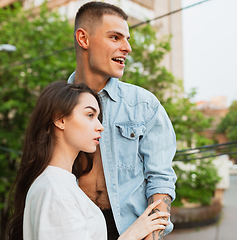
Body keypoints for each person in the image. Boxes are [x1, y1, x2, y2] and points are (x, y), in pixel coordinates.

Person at [7, 81, 170, 240]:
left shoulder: (59, 184)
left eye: (98, 117)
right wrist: (132, 234)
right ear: (60, 120)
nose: (100, 126)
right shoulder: (56, 191)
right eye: (90, 115)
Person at [68, 2, 177, 240]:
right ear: (83, 39)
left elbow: (160, 179)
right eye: (115, 37)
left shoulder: (144, 105)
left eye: (127, 39)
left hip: (131, 230)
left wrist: (153, 236)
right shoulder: (56, 107)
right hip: (76, 229)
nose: (127, 48)